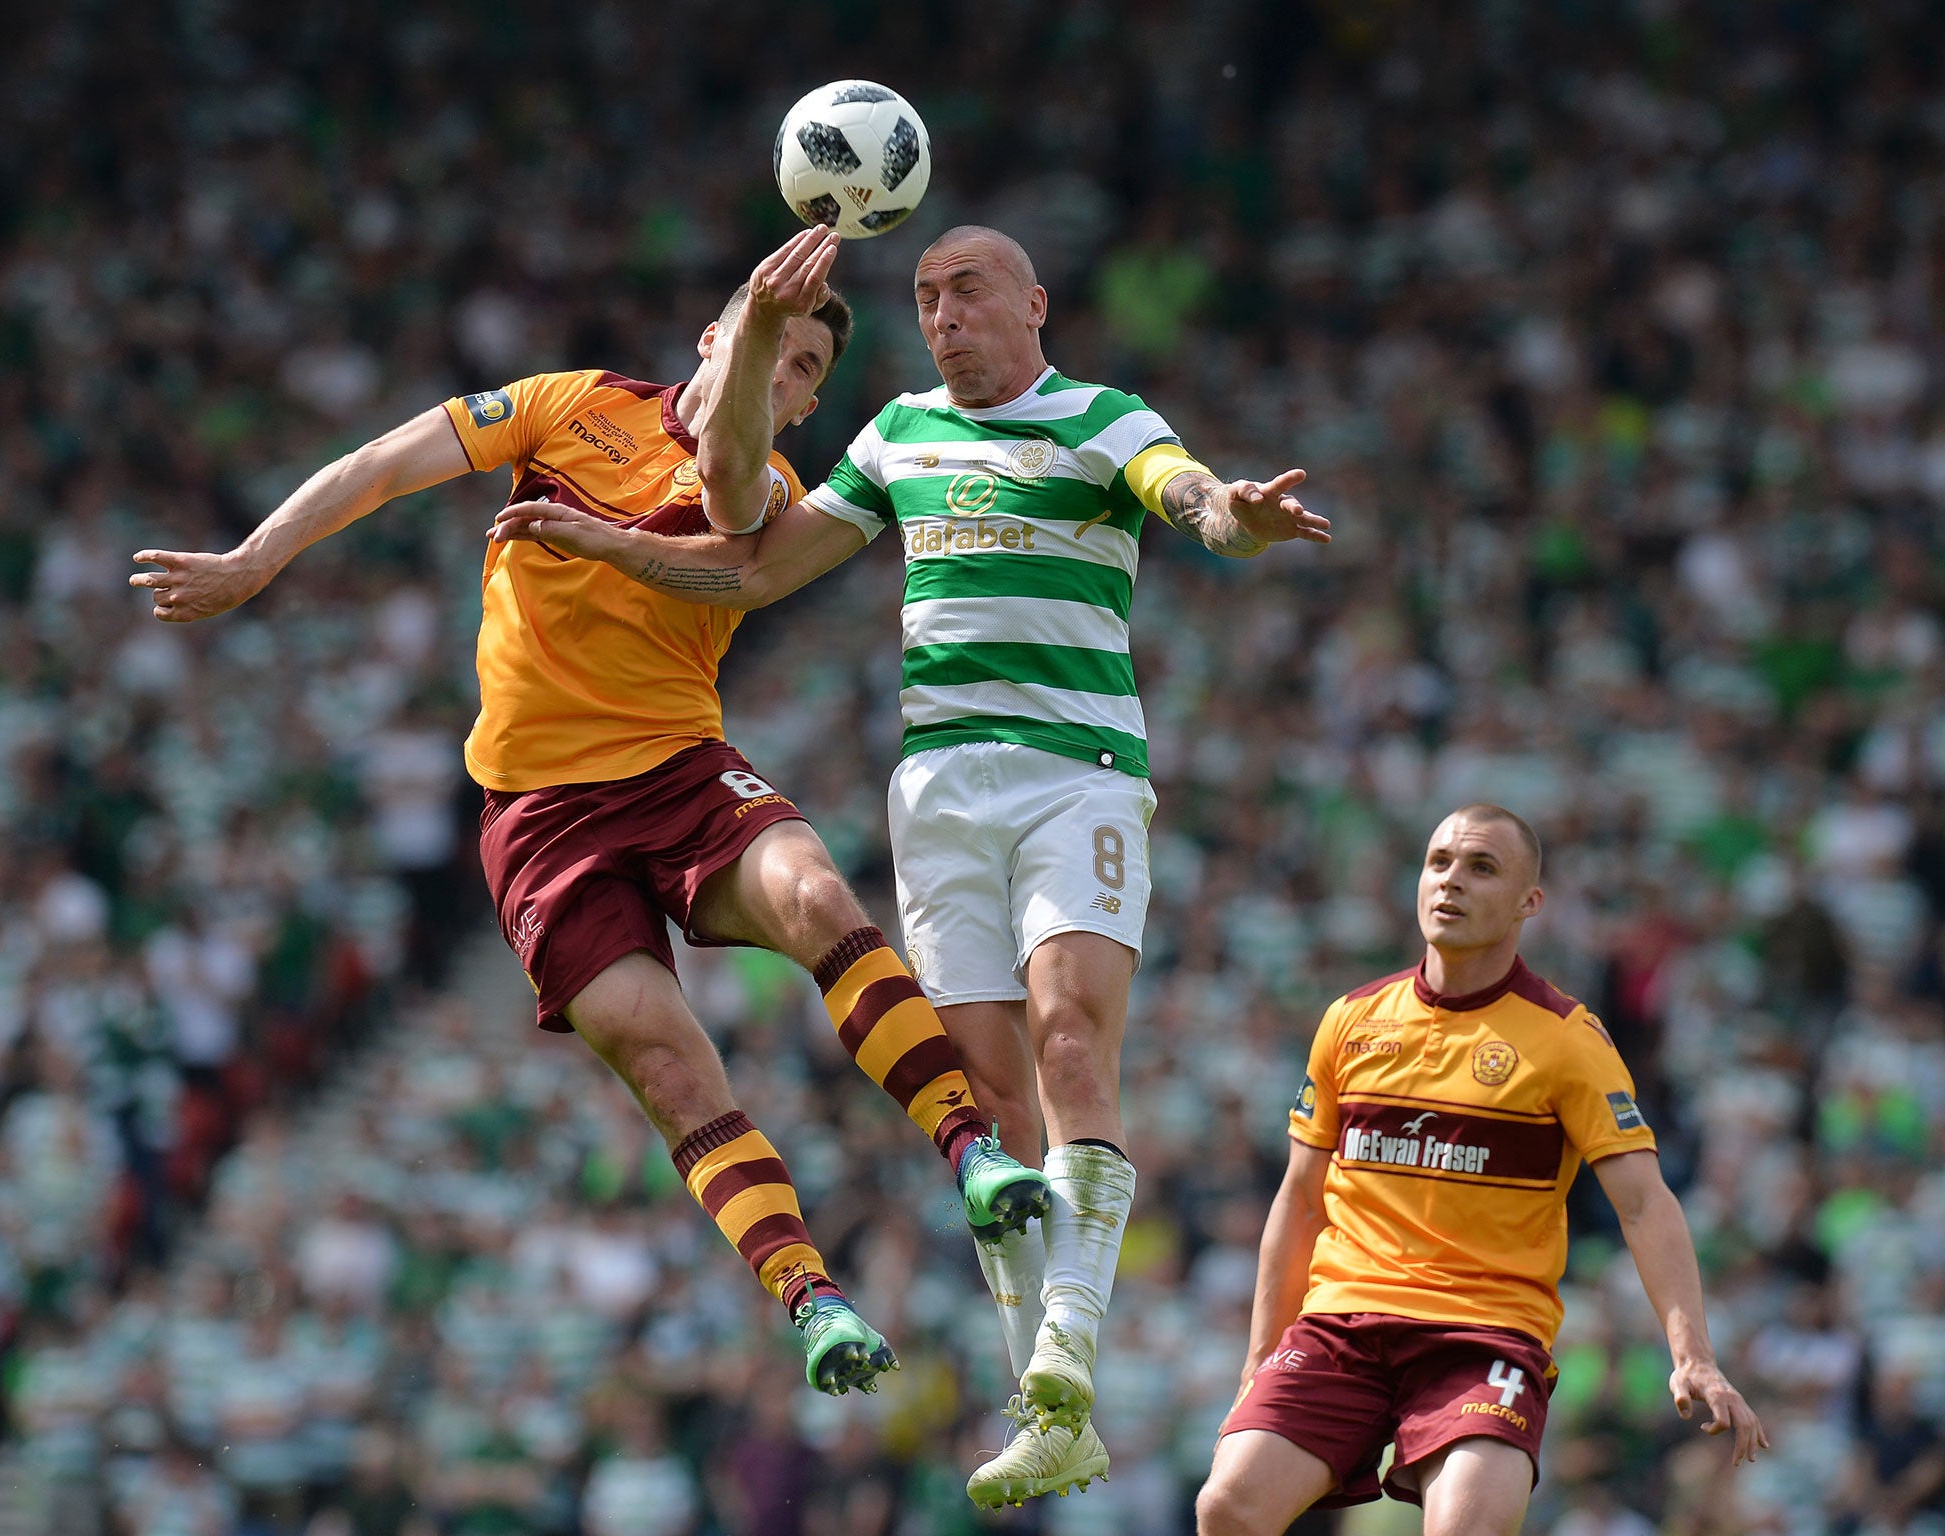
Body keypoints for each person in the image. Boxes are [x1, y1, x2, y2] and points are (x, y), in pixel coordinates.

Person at [125, 227, 1048, 1396]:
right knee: (669, 1070)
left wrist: (769, 324)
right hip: (538, 823)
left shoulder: (763, 489)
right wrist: (258, 556)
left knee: (817, 895)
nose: (784, 376)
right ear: (707, 335)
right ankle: (812, 1300)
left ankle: (967, 1153)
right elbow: (385, 462)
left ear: (806, 409)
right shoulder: (571, 404)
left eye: (807, 373)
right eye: (772, 344)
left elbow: (720, 467)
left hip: (678, 776)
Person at [489, 224, 1330, 1506]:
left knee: (1064, 1045)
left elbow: (1185, 490)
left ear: (1034, 303)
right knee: (983, 1094)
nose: (942, 315)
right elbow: (753, 571)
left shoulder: (1103, 419)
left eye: (968, 290)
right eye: (926, 296)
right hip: (935, 788)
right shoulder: (893, 436)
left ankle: (1068, 1347)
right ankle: (1044, 1414)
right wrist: (609, 548)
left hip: (1074, 773)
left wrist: (1233, 520)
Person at [1192, 804, 1767, 1536]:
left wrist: (1694, 1358)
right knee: (1226, 1507)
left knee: (1469, 1526)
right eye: (1439, 863)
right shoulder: (1351, 1019)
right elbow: (1302, 1199)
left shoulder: (1567, 1040)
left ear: (1531, 903)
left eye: (1481, 867)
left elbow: (1645, 1205)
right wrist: (1260, 1358)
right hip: (1343, 1324)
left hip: (1485, 1334)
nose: (1451, 881)